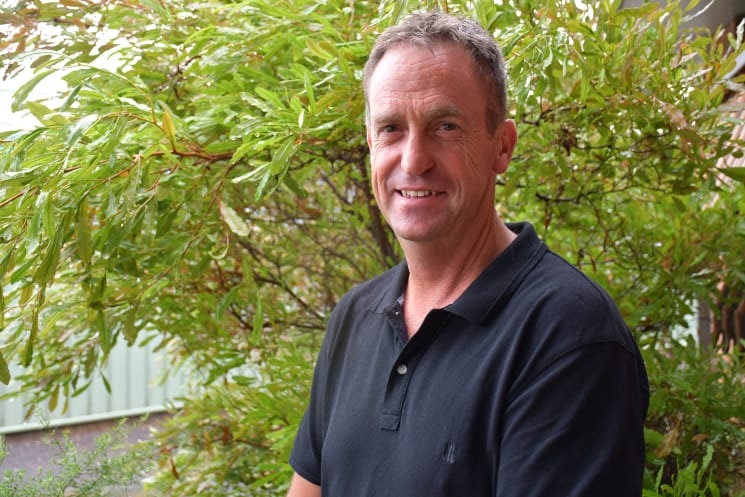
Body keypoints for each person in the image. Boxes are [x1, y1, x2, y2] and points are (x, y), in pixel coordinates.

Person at [286, 10, 649, 497]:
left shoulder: (569, 337)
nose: (413, 160)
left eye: (446, 126)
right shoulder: (355, 317)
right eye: (391, 128)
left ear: (503, 147)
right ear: (371, 145)